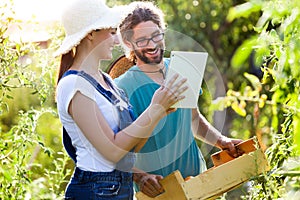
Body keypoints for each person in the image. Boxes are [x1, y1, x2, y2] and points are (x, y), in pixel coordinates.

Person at [54, 0, 188, 199]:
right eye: (110, 32)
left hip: (120, 189)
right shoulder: (74, 85)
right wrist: (155, 109)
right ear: (90, 34)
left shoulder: (107, 81)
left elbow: (130, 148)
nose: (116, 40)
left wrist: (160, 112)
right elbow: (112, 151)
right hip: (95, 191)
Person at [115, 1, 243, 197]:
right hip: (156, 190)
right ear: (128, 43)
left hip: (195, 180)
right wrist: (138, 176)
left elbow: (192, 119)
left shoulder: (184, 67)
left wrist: (221, 141)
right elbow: (118, 149)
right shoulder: (122, 87)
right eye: (142, 40)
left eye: (156, 35)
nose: (152, 45)